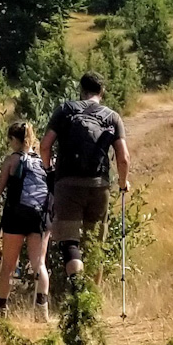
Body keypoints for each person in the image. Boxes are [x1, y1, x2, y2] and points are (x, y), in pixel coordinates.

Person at [40, 71, 130, 284]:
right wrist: (123, 182)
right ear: (102, 91)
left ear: (81, 90)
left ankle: (78, 291)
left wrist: (50, 172)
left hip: (68, 183)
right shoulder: (112, 117)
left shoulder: (65, 110)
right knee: (95, 244)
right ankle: (93, 299)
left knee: (70, 242)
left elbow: (44, 146)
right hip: (99, 185)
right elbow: (123, 158)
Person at [0, 121, 51, 320]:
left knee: (8, 266)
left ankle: (1, 312)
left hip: (16, 216)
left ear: (15, 140)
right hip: (40, 217)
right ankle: (42, 311)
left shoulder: (11, 161)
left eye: (10, 139)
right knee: (39, 264)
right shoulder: (44, 160)